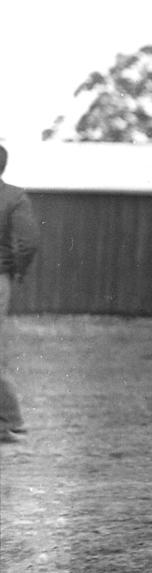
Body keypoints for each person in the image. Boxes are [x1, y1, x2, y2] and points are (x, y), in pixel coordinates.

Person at [0, 145, 41, 444]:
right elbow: (27, 242)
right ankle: (10, 422)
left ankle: (9, 422)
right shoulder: (14, 197)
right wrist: (17, 271)